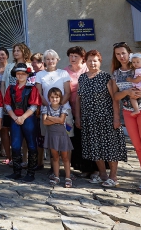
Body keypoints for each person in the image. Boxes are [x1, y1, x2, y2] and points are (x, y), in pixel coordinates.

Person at [112, 42, 141, 196]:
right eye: (118, 54)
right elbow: (115, 96)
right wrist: (126, 92)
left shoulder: (140, 68)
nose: (121, 56)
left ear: (129, 53)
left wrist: (140, 94)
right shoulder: (116, 73)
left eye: (123, 53)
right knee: (138, 147)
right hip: (128, 112)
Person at [74, 49, 127, 188]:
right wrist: (78, 117)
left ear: (100, 61)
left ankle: (113, 176)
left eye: (95, 60)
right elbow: (78, 99)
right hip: (89, 119)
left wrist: (116, 118)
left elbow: (115, 99)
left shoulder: (106, 78)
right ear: (86, 62)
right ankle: (102, 174)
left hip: (106, 118)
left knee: (110, 148)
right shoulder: (82, 78)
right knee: (95, 147)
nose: (92, 63)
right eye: (90, 60)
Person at [35, 49, 72, 178]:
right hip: (47, 110)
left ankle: (67, 170)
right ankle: (53, 169)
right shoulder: (40, 75)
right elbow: (39, 94)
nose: (50, 61)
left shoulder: (63, 73)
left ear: (57, 60)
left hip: (64, 110)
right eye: (47, 59)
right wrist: (49, 107)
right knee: (51, 139)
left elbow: (67, 92)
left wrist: (59, 107)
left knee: (67, 138)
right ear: (44, 61)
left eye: (53, 58)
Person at [4, 63, 42, 181]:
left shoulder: (32, 88)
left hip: (28, 118)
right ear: (15, 75)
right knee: (15, 146)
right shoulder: (10, 89)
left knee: (31, 145)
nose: (20, 76)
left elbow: (34, 106)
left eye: (23, 74)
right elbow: (7, 104)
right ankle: (17, 172)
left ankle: (30, 173)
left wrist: (23, 117)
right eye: (18, 73)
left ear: (27, 75)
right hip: (15, 118)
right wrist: (15, 117)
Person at [64, 45, 96, 176]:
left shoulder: (87, 69)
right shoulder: (65, 71)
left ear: (82, 58)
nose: (72, 58)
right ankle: (82, 166)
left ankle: (93, 168)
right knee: (76, 139)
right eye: (71, 56)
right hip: (71, 109)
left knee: (89, 139)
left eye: (75, 56)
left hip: (88, 108)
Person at [42, 87, 74, 188]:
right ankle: (56, 176)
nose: (54, 99)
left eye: (57, 97)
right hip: (52, 135)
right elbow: (44, 122)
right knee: (55, 157)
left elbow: (61, 120)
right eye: (52, 97)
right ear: (49, 98)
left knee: (65, 157)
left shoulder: (63, 108)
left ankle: (68, 177)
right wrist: (55, 119)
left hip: (62, 135)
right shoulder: (45, 108)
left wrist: (50, 117)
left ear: (60, 98)